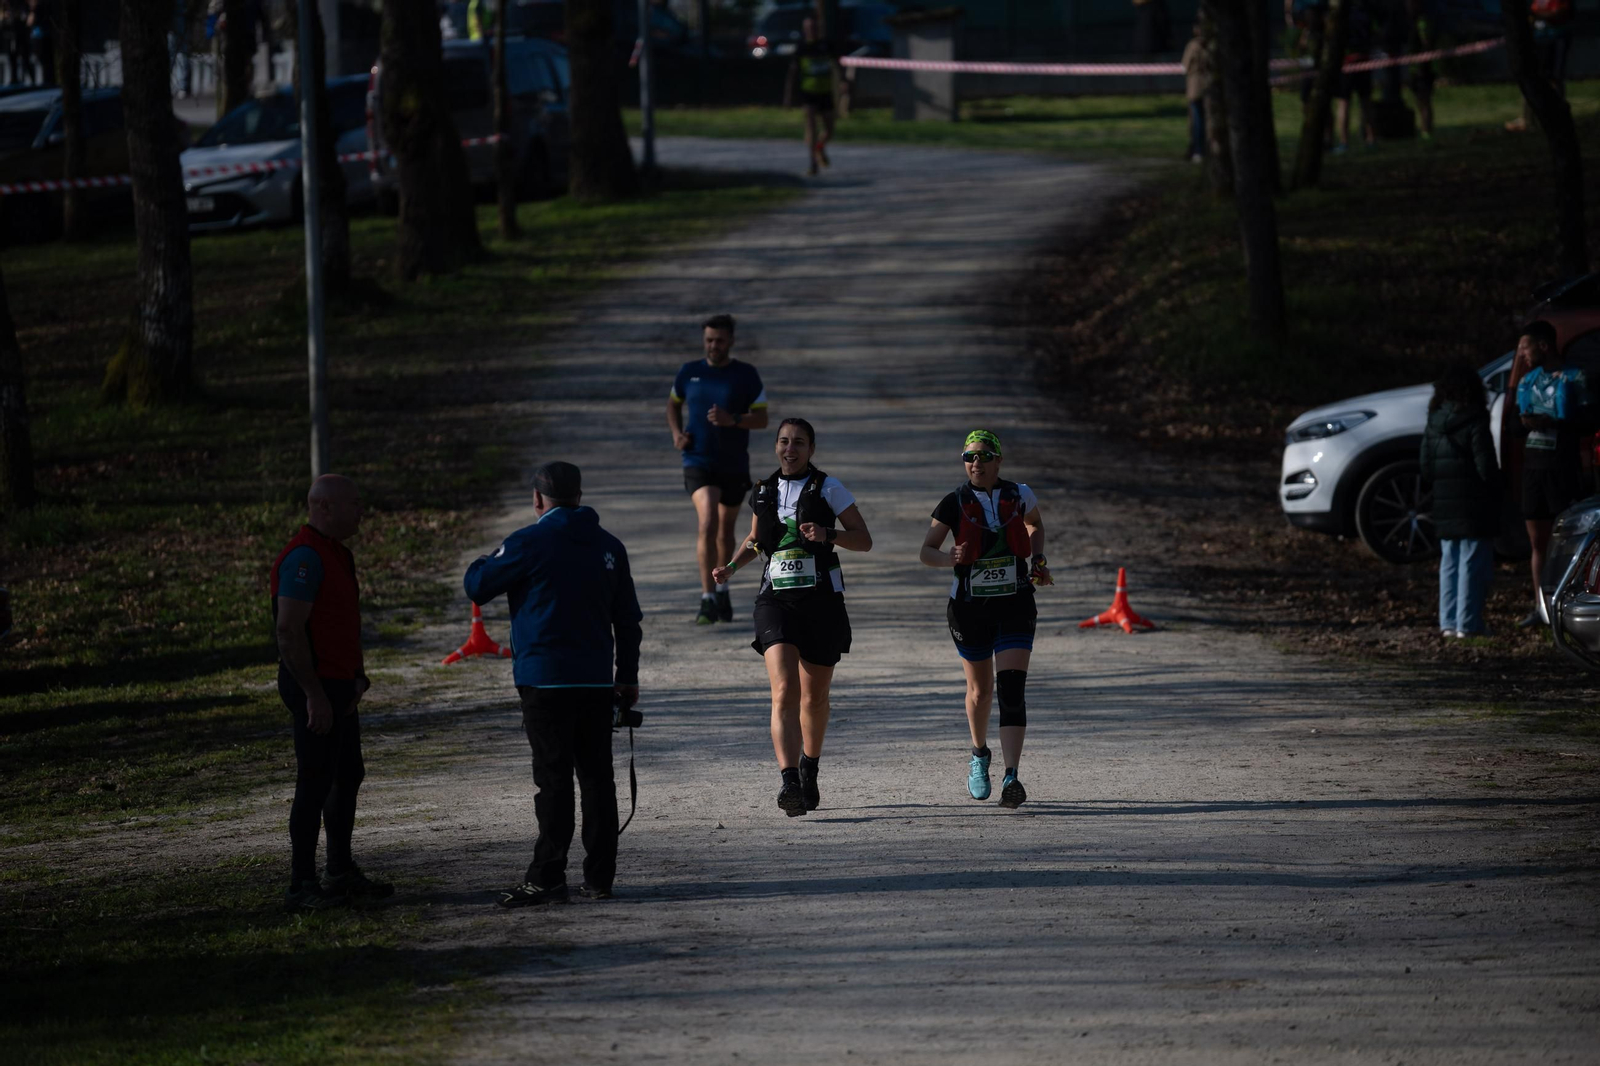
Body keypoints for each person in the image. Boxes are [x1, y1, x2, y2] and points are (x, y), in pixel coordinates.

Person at [465, 462, 643, 905]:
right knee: (599, 779)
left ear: (537, 499)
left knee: (554, 782)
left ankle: (547, 876)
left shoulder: (528, 541)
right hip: (597, 683)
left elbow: (478, 586)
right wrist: (627, 677)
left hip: (544, 683)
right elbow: (628, 621)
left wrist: (484, 559)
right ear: (579, 497)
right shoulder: (610, 547)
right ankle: (600, 878)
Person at [713, 418, 872, 816]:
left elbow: (864, 540)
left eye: (798, 443)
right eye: (784, 442)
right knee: (785, 690)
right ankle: (788, 781)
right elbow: (754, 541)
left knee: (815, 698)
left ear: (811, 449)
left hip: (821, 603)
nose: (790, 449)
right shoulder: (763, 491)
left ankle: (809, 768)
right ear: (776, 447)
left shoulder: (830, 488)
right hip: (775, 600)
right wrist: (732, 566)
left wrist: (828, 534)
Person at [271, 474, 394, 913]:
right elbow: (288, 630)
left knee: (347, 774)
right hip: (315, 687)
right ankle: (300, 885)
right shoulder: (304, 558)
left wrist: (357, 676)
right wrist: (314, 695)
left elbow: (339, 623)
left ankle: (339, 871)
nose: (361, 511)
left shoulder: (339, 554)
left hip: (340, 687)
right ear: (324, 507)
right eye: (354, 503)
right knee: (315, 783)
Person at [919, 430, 1053, 810]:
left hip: (1015, 603)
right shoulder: (953, 502)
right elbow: (926, 551)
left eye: (983, 455)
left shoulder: (1020, 494)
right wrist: (950, 558)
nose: (975, 463)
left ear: (998, 460)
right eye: (969, 456)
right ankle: (980, 755)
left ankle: (1012, 775)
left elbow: (1035, 525)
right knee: (980, 691)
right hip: (968, 607)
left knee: (1011, 690)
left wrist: (1039, 559)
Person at [667, 314, 768, 626]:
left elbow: (762, 419)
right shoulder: (689, 372)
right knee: (707, 521)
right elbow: (673, 403)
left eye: (719, 340)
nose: (713, 346)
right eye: (709, 340)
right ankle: (707, 597)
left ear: (731, 341)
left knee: (726, 531)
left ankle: (723, 588)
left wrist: (733, 420)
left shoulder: (746, 375)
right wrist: (677, 433)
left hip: (734, 464)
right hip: (697, 461)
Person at [1420, 362, 1501, 638]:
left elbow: (1426, 466)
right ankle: (1468, 623)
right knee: (1472, 563)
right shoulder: (1476, 420)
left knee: (1449, 563)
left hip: (1444, 502)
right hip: (1473, 503)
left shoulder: (1434, 420)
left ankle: (1448, 622)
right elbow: (1486, 466)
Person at [1513, 321, 1585, 626]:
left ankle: (1570, 604)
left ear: (1543, 345)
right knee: (1537, 541)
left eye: (1525, 349)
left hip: (1562, 468)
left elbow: (1586, 420)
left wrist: (1554, 423)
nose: (1521, 356)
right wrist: (1527, 423)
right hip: (1533, 469)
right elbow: (1513, 427)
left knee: (1568, 540)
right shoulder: (1527, 380)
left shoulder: (1575, 376)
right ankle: (1541, 607)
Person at [788, 16, 837, 177]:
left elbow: (837, 64)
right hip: (808, 93)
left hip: (825, 92)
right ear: (804, 30)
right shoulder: (801, 48)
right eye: (809, 28)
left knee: (829, 130)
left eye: (814, 27)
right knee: (811, 129)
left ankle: (819, 148)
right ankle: (813, 164)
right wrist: (789, 96)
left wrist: (844, 81)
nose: (812, 30)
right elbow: (793, 73)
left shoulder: (826, 45)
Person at [1180, 19, 1211, 163]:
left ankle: (1197, 150)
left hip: (1195, 86)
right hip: (1209, 86)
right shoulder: (1211, 45)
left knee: (1196, 121)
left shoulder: (1192, 46)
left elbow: (1184, 66)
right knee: (1207, 120)